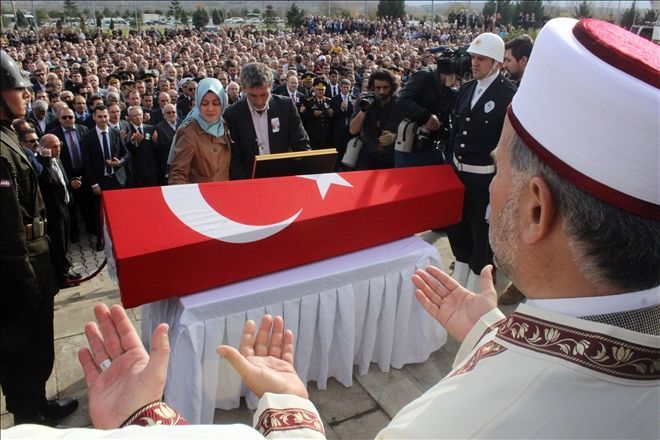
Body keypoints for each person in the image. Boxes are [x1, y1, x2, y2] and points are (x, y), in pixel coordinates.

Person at [379, 18, 659, 438]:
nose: (494, 185)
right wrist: (488, 335)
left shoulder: (455, 425)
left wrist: (286, 407)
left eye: (501, 167)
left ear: (535, 210)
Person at [0, 49, 79, 426]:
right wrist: (25, 282)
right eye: (17, 88)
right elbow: (8, 228)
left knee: (36, 347)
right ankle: (29, 417)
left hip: (35, 262)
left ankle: (37, 404)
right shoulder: (0, 152)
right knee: (23, 350)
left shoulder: (7, 136)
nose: (24, 95)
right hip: (20, 272)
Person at [446, 32, 517, 293]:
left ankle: (478, 296)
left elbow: (510, 150)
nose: (474, 63)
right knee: (458, 233)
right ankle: (459, 286)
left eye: (481, 59)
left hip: (484, 180)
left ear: (497, 62)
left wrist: (497, 192)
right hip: (458, 175)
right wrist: (448, 170)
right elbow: (454, 133)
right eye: (473, 58)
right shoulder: (466, 89)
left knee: (481, 244)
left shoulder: (509, 95)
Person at [223, 63, 310, 180]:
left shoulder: (286, 106)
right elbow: (235, 158)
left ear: (271, 86)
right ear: (243, 89)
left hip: (282, 179)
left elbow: (301, 144)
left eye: (264, 95)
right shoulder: (232, 114)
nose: (259, 102)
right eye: (253, 96)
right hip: (249, 181)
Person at [499, 34, 535, 306]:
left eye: (509, 60)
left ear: (523, 60)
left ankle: (522, 283)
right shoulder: (521, 85)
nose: (505, 64)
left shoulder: (536, 88)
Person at [80, 104, 130, 251]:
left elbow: (127, 154)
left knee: (119, 211)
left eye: (105, 116)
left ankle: (120, 237)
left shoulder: (115, 133)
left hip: (116, 179)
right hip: (100, 181)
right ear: (94, 117)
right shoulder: (88, 138)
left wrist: (119, 162)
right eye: (100, 116)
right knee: (99, 212)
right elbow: (86, 163)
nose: (103, 119)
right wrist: (93, 183)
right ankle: (101, 238)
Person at [36, 134, 81, 287]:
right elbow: (47, 180)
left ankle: (66, 270)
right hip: (54, 212)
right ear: (43, 148)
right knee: (58, 245)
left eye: (59, 145)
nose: (58, 149)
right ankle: (61, 278)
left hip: (65, 207)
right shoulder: (40, 163)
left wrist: (70, 184)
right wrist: (45, 159)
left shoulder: (58, 159)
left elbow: (59, 183)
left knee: (64, 244)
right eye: (53, 146)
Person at [396, 56, 458, 168]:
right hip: (412, 144)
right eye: (457, 77)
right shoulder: (424, 76)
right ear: (450, 73)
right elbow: (402, 100)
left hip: (434, 145)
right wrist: (426, 116)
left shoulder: (448, 90)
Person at [168, 78, 231, 184]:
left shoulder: (225, 126)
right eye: (205, 103)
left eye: (216, 103)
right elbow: (178, 174)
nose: (210, 109)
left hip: (225, 193)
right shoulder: (188, 132)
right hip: (200, 196)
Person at [348, 69, 402, 170]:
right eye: (378, 88)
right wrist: (364, 110)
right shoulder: (363, 99)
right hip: (368, 154)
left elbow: (409, 130)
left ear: (392, 87)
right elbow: (353, 130)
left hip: (392, 156)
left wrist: (395, 137)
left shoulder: (399, 103)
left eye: (385, 87)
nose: (381, 91)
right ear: (372, 87)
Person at [126, 105, 159, 188]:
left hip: (151, 170)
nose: (138, 117)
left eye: (140, 114)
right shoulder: (127, 130)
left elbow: (156, 150)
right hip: (136, 171)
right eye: (135, 115)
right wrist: (135, 142)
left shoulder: (151, 128)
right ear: (130, 117)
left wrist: (155, 142)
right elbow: (127, 150)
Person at [301, 79, 333, 149]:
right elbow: (304, 116)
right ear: (314, 90)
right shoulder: (309, 101)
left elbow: (333, 117)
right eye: (318, 89)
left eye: (322, 90)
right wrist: (313, 114)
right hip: (313, 133)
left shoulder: (329, 101)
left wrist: (331, 114)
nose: (320, 91)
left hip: (325, 134)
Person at [154, 103, 177, 186]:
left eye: (173, 112)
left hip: (182, 163)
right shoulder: (159, 127)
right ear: (164, 115)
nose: (171, 114)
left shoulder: (183, 124)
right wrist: (175, 141)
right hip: (167, 165)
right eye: (168, 113)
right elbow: (158, 146)